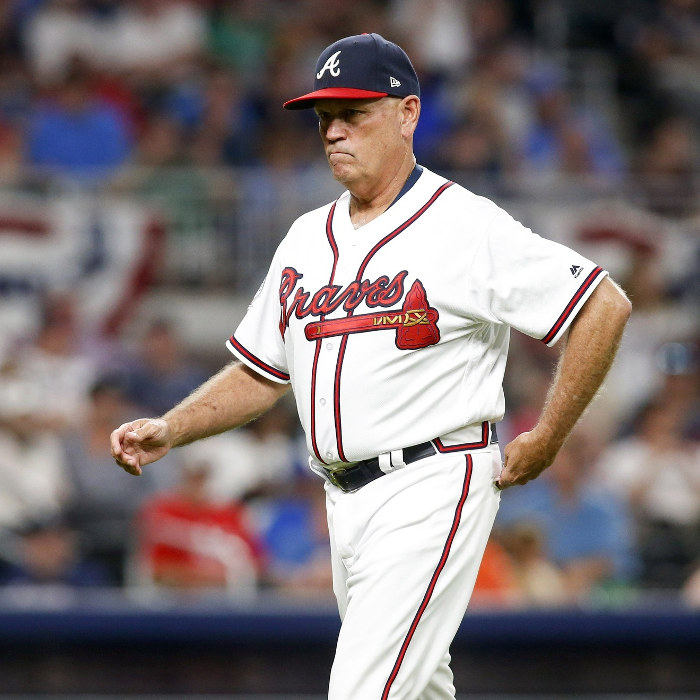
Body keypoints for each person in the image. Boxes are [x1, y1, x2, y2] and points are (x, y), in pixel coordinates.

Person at [111, 33, 631, 700]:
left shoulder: (462, 224)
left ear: (407, 114)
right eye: (325, 117)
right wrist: (173, 427)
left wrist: (549, 434)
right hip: (343, 499)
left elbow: (603, 305)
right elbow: (261, 372)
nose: (333, 132)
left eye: (353, 114)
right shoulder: (306, 237)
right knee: (416, 688)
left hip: (431, 481)